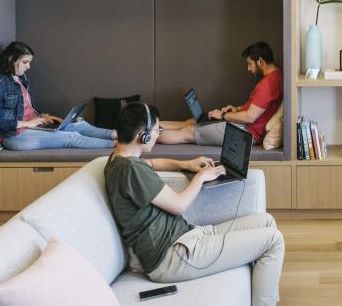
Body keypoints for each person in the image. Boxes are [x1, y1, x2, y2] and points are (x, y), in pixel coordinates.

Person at [104, 102, 284, 305]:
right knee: (273, 240)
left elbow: (153, 163)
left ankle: (267, 297)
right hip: (173, 257)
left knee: (266, 221)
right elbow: (179, 205)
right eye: (156, 130)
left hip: (185, 236)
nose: (158, 134)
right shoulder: (130, 170)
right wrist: (201, 176)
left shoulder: (118, 161)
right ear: (142, 135)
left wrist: (185, 163)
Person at [0, 41, 116, 150]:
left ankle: (119, 135)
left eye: (29, 62)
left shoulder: (20, 78)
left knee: (79, 126)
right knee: (71, 136)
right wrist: (28, 123)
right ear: (12, 60)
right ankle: (118, 145)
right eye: (25, 62)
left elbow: (26, 109)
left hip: (32, 126)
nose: (28, 67)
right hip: (15, 136)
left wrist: (43, 117)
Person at [159, 42, 283, 147]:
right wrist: (236, 109)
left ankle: (145, 137)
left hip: (246, 133)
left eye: (250, 64)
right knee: (191, 122)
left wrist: (223, 115)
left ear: (260, 61)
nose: (248, 69)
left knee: (188, 131)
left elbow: (250, 117)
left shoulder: (267, 84)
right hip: (243, 126)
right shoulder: (277, 76)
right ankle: (149, 125)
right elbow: (257, 108)